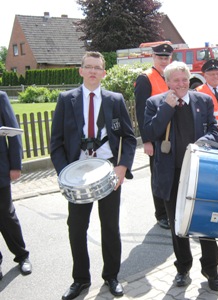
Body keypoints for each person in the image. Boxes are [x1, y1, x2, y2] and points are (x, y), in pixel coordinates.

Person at [50, 51, 136, 300]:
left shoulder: (115, 99)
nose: (93, 72)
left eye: (97, 68)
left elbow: (129, 138)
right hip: (76, 175)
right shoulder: (66, 99)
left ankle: (111, 276)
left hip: (109, 171)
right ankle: (80, 279)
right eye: (88, 67)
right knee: (76, 228)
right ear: (80, 70)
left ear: (104, 72)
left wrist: (122, 167)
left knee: (110, 226)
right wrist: (64, 173)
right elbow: (55, 143)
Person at [143, 61, 218, 291]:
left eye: (184, 79)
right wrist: (166, 108)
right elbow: (150, 132)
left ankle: (212, 270)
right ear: (167, 82)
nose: (181, 84)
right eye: (176, 80)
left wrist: (203, 141)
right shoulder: (154, 103)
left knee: (206, 223)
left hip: (200, 173)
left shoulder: (203, 100)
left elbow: (215, 130)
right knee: (178, 224)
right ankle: (182, 268)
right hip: (171, 174)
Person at [134, 43, 174, 230]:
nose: (164, 61)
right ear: (153, 57)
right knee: (158, 176)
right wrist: (147, 141)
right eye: (160, 57)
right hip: (156, 136)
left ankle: (172, 210)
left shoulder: (172, 75)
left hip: (173, 135)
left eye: (166, 58)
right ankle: (161, 214)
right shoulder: (145, 79)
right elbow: (141, 114)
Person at [0, 91, 32, 280]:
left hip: (0, 169)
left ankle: (22, 256)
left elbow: (13, 133)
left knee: (6, 215)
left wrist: (15, 165)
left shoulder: (1, 97)